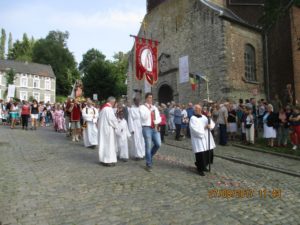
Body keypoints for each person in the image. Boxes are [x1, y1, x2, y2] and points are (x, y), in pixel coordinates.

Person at [190, 104, 216, 176]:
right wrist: (204, 127)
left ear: (200, 109)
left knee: (208, 153)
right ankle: (200, 169)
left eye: (198, 109)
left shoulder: (204, 117)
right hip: (198, 139)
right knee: (201, 154)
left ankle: (204, 166)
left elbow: (211, 125)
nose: (197, 110)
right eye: (195, 109)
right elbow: (194, 129)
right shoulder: (193, 118)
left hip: (206, 138)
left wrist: (209, 117)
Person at [139, 92, 161, 172]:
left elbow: (159, 117)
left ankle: (149, 156)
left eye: (151, 98)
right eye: (149, 97)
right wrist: (149, 111)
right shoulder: (142, 107)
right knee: (148, 146)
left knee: (158, 144)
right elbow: (143, 117)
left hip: (154, 127)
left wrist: (157, 123)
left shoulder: (154, 107)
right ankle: (148, 163)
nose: (150, 99)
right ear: (146, 98)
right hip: (146, 128)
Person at [98, 96, 119, 166]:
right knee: (108, 145)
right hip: (108, 130)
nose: (114, 104)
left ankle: (102, 159)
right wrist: (117, 125)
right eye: (114, 102)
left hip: (103, 130)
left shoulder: (103, 108)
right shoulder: (108, 109)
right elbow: (112, 120)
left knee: (103, 144)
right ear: (112, 102)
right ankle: (108, 160)